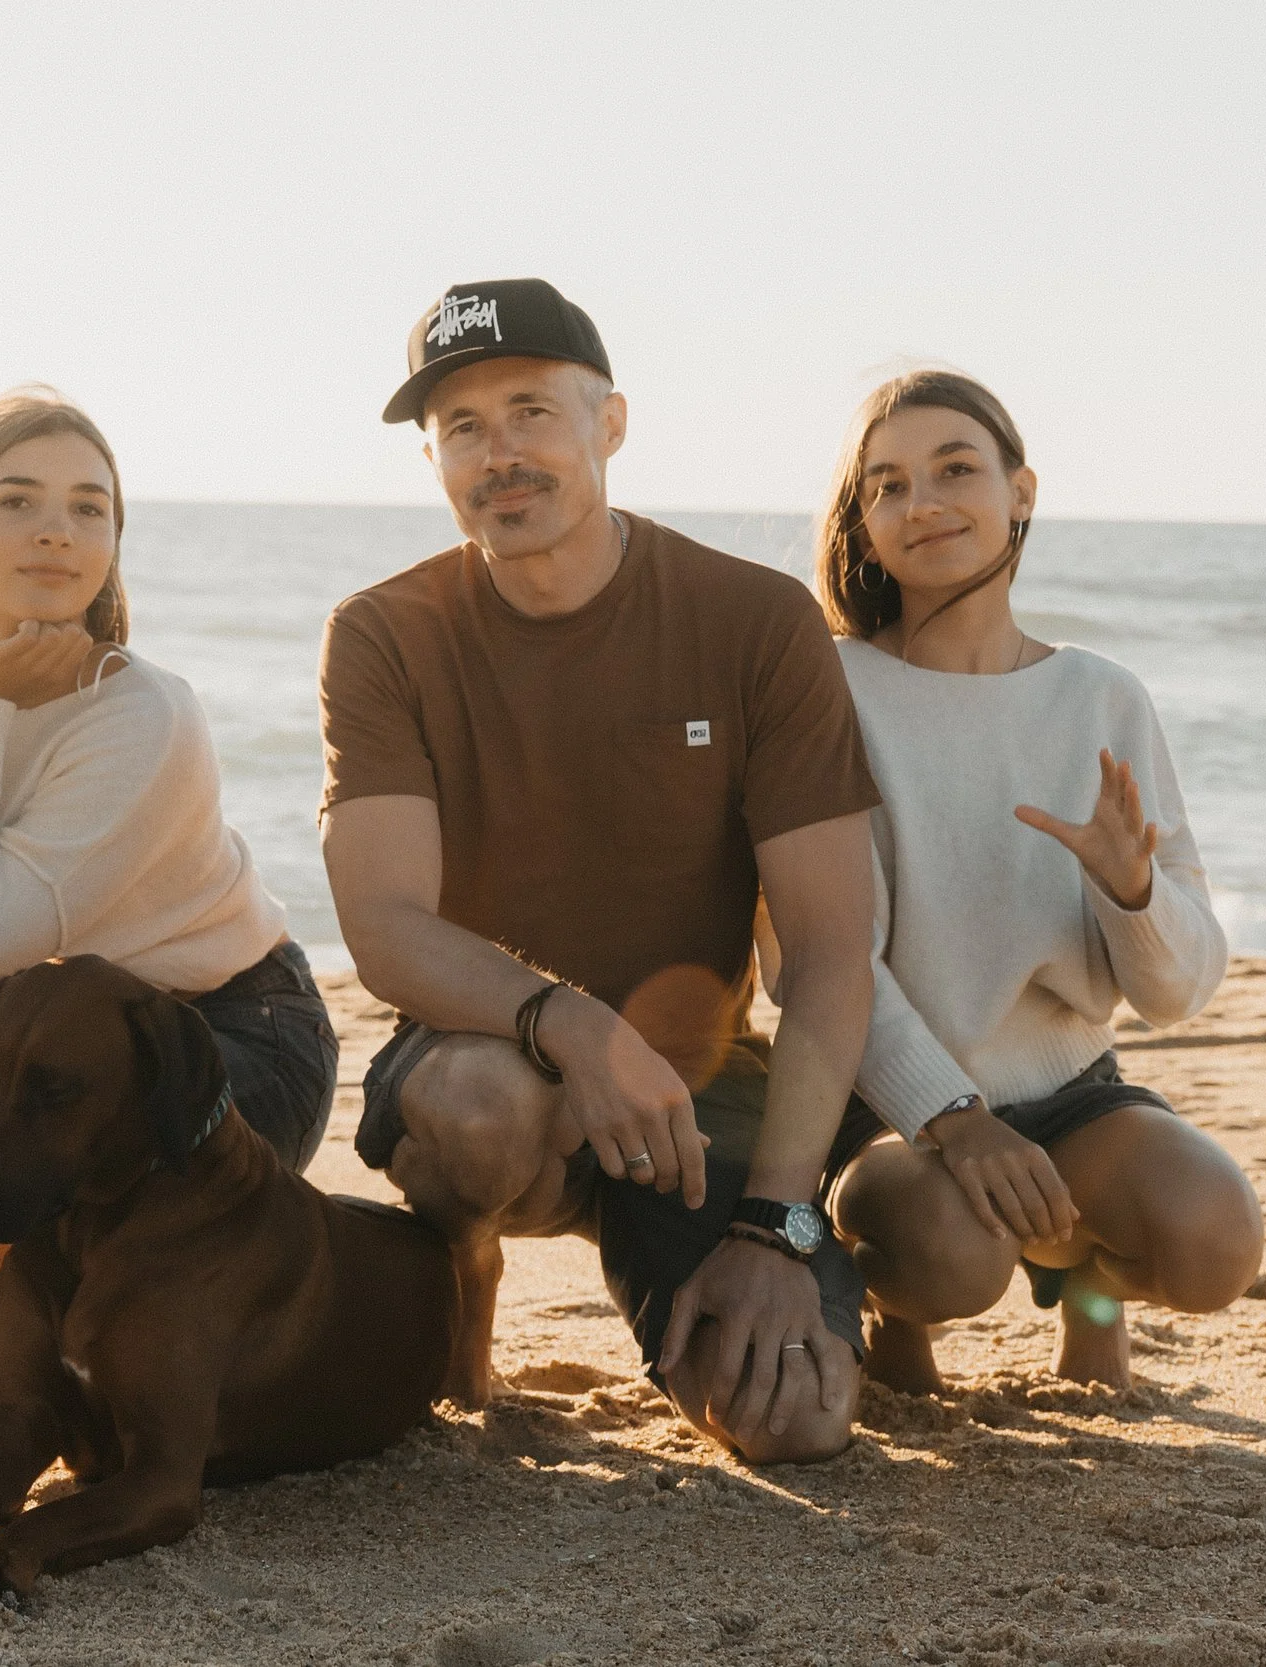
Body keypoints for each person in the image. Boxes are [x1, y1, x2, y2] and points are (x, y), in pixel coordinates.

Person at [321, 280, 879, 1464]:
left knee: (796, 1420)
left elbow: (830, 951)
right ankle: (464, 1267)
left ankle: (728, 1259)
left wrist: (778, 1222)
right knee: (478, 1109)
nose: (499, 454)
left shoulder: (756, 620)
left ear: (610, 424)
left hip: (693, 1083)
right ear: (432, 456)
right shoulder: (383, 631)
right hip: (490, 1055)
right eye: (462, 428)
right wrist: (568, 1024)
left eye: (530, 411)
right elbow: (381, 923)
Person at [0, 389, 333, 1367]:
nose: (57, 532)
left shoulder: (141, 714)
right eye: (18, 501)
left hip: (220, 1038)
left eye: (88, 507)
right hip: (51, 1029)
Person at [813, 370, 1261, 1392]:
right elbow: (823, 956)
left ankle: (1088, 1294)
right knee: (950, 1253)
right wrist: (954, 1120)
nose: (922, 502)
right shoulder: (834, 690)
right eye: (886, 485)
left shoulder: (1100, 696)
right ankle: (896, 1316)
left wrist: (1131, 894)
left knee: (1213, 1237)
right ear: (865, 526)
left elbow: (1176, 992)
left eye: (955, 468)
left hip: (1069, 1093)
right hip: (887, 1109)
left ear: (1021, 490)